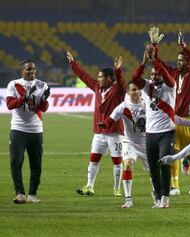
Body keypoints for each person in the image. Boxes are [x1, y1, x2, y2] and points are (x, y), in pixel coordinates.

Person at [151, 27, 190, 195]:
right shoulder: (173, 73)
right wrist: (154, 45)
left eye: (181, 60)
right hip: (174, 119)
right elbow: (158, 63)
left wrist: (184, 47)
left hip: (189, 119)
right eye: (178, 60)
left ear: (188, 63)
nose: (178, 62)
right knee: (174, 153)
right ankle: (175, 186)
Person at [66, 51, 126, 197]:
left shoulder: (117, 90)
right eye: (98, 77)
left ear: (109, 78)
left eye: (101, 77)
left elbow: (122, 83)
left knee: (117, 161)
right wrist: (73, 63)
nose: (98, 79)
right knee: (94, 159)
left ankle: (117, 189)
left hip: (114, 132)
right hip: (99, 133)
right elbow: (84, 76)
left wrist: (118, 70)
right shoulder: (97, 88)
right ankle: (89, 186)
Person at [132, 42, 176, 208]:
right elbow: (135, 78)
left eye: (157, 74)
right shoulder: (148, 88)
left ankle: (165, 197)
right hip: (150, 134)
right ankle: (158, 197)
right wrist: (144, 63)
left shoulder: (171, 87)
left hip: (166, 133)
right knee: (153, 168)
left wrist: (155, 61)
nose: (154, 76)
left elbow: (166, 74)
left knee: (164, 163)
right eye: (152, 74)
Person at [99, 82, 149, 208]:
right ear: (128, 93)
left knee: (153, 172)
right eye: (133, 90)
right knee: (127, 164)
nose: (136, 92)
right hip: (129, 142)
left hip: (146, 143)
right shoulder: (124, 106)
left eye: (138, 89)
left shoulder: (147, 103)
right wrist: (104, 124)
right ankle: (128, 199)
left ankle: (156, 194)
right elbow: (111, 119)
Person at [6, 60, 50, 204]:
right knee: (15, 161)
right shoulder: (14, 84)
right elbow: (10, 105)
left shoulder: (42, 85)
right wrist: (24, 97)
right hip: (18, 128)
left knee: (36, 163)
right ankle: (20, 194)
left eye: (34, 70)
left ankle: (32, 195)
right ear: (22, 71)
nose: (32, 72)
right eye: (28, 70)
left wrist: (44, 100)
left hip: (36, 129)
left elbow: (43, 109)